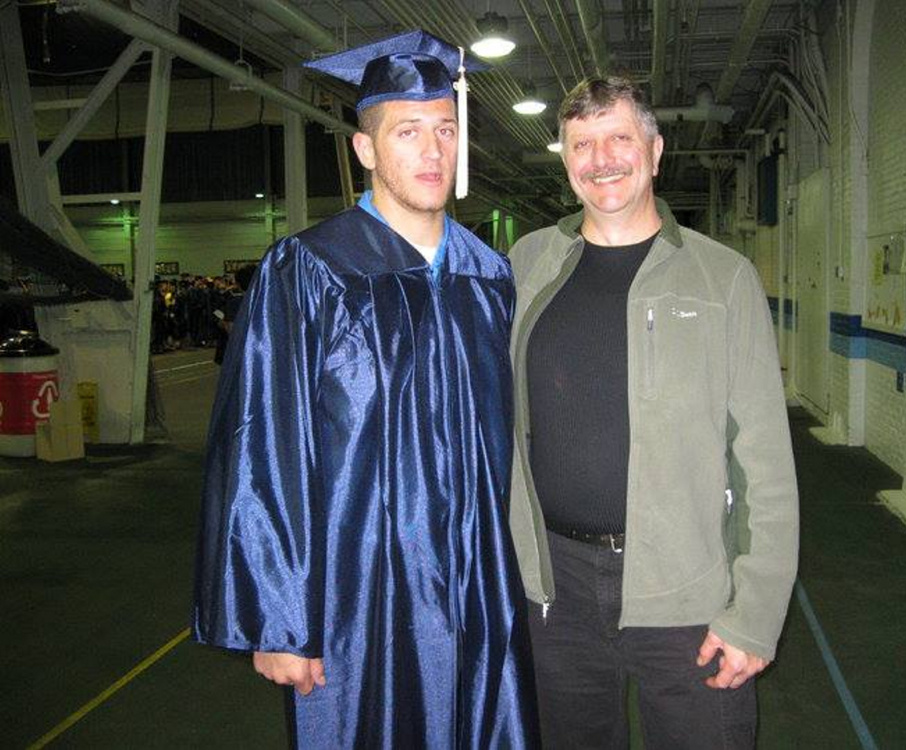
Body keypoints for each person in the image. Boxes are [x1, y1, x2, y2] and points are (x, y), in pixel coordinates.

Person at [193, 30, 539, 749]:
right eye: (407, 131)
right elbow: (265, 442)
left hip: (477, 581)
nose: (433, 150)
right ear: (366, 150)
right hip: (358, 596)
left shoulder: (489, 276)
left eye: (445, 128)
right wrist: (280, 619)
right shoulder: (309, 269)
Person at [506, 76, 799, 749]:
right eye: (583, 143)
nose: (602, 157)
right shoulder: (529, 265)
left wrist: (753, 613)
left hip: (687, 586)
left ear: (656, 150)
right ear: (565, 158)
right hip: (556, 588)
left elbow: (765, 462)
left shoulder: (721, 277)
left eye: (619, 138)